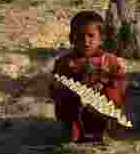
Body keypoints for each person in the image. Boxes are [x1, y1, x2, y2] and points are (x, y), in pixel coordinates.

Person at [50, 10, 129, 143]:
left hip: (101, 108)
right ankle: (73, 132)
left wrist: (104, 85)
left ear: (101, 38)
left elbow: (121, 85)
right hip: (75, 108)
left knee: (112, 94)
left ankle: (107, 129)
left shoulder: (110, 61)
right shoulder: (64, 62)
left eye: (91, 36)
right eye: (80, 36)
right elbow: (54, 89)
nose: (86, 41)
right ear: (71, 38)